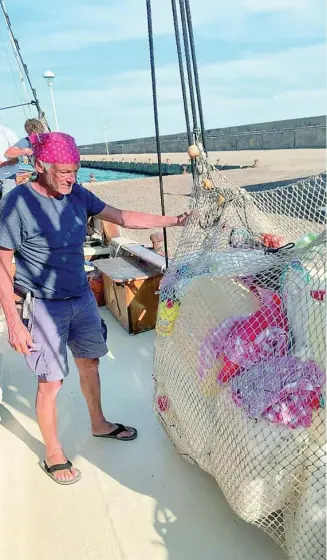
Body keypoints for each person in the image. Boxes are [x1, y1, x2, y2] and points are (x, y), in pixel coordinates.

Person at [0, 131, 190, 485]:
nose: (71, 178)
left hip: (82, 297)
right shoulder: (16, 204)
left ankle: (99, 423)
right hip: (42, 305)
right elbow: (2, 262)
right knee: (51, 381)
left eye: (75, 170)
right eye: (63, 172)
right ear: (40, 166)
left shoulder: (78, 194)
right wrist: (14, 321)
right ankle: (53, 452)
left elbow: (124, 217)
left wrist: (175, 222)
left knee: (91, 362)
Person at [4, 118, 46, 186]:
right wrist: (24, 150)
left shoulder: (47, 140)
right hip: (37, 175)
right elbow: (7, 153)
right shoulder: (27, 141)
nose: (29, 135)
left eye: (29, 133)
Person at [0, 124, 20, 197]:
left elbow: (18, 158)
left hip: (8, 178)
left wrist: (4, 163)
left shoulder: (8, 133)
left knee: (7, 206)